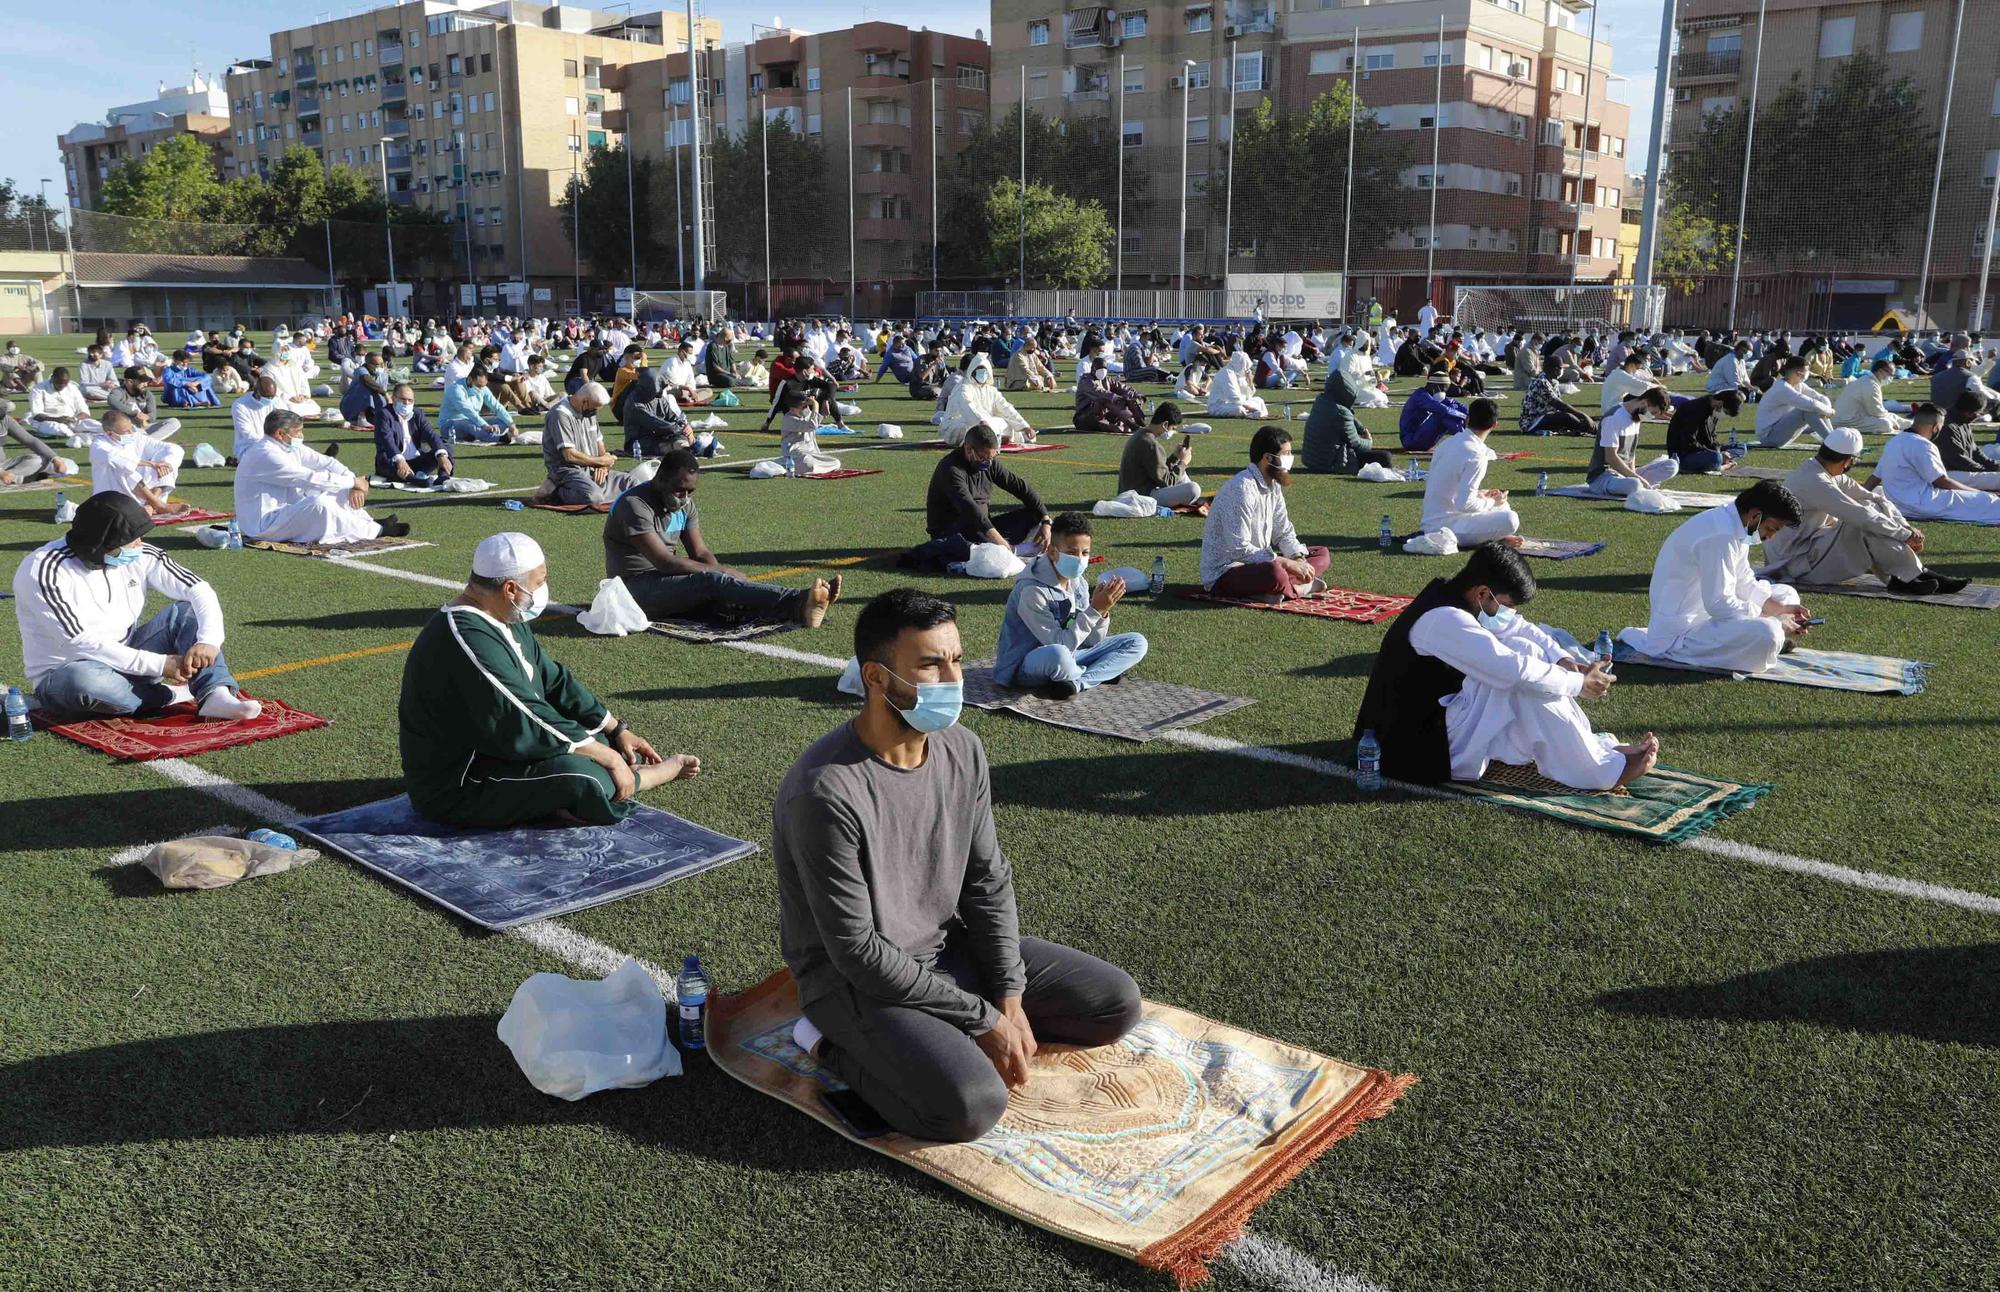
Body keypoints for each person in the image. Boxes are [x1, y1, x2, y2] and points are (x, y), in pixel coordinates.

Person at [771, 587, 1142, 1142]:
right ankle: (821, 1040)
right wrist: (983, 1018)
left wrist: (1009, 997)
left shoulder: (962, 748)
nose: (952, 681)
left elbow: (986, 881)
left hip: (947, 952)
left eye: (956, 660)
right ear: (875, 677)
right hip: (855, 984)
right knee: (969, 1105)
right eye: (929, 665)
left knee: (1115, 1005)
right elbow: (857, 952)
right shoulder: (825, 792)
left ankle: (936, 1038)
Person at [399, 532, 699, 828]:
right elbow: (521, 711)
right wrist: (607, 757)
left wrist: (615, 729)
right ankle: (646, 777)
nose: (542, 591)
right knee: (587, 777)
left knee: (602, 742)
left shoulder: (503, 616)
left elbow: (552, 679)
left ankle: (556, 796)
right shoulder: (465, 637)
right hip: (459, 783)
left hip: (496, 750)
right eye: (539, 583)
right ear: (510, 589)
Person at [1351, 543, 1654, 790]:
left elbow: (1521, 630)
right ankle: (1597, 772)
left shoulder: (1458, 595)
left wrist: (1561, 659)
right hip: (1410, 749)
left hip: (1436, 721)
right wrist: (1577, 684)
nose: (1510, 614)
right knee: (1522, 678)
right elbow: (1514, 671)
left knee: (1528, 651)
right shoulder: (1444, 620)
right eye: (1507, 606)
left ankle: (1590, 750)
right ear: (1482, 593)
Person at [12, 492, 261, 722]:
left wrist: (209, 640)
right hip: (68, 672)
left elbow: (198, 588)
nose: (138, 545)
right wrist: (160, 665)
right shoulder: (43, 570)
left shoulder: (140, 553)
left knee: (186, 612)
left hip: (129, 653)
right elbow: (79, 641)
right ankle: (167, 696)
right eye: (130, 540)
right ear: (99, 545)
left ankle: (215, 695)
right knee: (82, 681)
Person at [603, 448, 839, 627]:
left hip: (665, 582)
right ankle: (800, 600)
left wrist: (726, 580)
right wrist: (719, 574)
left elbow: (701, 552)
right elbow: (665, 562)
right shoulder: (634, 505)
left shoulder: (685, 505)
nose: (684, 497)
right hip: (632, 590)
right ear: (661, 478)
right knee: (714, 581)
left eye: (690, 491)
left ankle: (802, 610)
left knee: (727, 590)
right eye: (679, 489)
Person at [1620, 481, 1811, 674]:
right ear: (1755, 516)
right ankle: (1773, 639)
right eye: (1772, 529)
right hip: (1681, 634)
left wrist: (1778, 609)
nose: (1771, 537)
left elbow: (1743, 580)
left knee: (1786, 594)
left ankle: (1772, 637)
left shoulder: (1736, 523)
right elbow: (1720, 604)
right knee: (1768, 633)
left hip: (1706, 615)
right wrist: (1774, 619)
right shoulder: (1721, 535)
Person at [1762, 426, 1960, 596]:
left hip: (1812, 549)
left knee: (1873, 509)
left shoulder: (1825, 473)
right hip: (1795, 564)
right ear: (1848, 461)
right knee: (1862, 521)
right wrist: (1904, 534)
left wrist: (1906, 528)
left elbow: (1875, 499)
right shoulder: (1813, 480)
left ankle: (1906, 577)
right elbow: (1859, 515)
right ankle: (1912, 575)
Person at [993, 513, 1148, 697]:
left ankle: (1077, 683)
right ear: (1052, 552)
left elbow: (1091, 642)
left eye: (1085, 553)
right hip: (1027, 665)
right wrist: (1095, 610)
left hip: (1072, 653)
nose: (1080, 559)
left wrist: (1102, 613)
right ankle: (1096, 672)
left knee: (1136, 642)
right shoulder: (1031, 590)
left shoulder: (1078, 582)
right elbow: (1059, 644)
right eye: (1072, 553)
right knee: (1059, 655)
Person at [1199, 425, 1330, 598]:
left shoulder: (1273, 485)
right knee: (1274, 571)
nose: (1290, 459)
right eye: (1286, 454)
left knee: (1321, 554)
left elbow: (1283, 531)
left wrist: (1297, 558)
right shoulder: (1241, 489)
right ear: (1267, 458)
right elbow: (1239, 549)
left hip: (1258, 563)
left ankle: (1279, 588)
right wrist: (1287, 564)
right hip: (1227, 571)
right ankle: (1299, 588)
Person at [235, 410, 406, 543]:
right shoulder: (265, 454)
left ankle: (369, 523)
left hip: (288, 509)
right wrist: (354, 481)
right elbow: (310, 478)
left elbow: (326, 462)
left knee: (340, 490)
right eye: (298, 432)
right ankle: (378, 531)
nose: (301, 436)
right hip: (265, 525)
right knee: (320, 504)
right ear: (280, 434)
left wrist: (353, 484)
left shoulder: (288, 446)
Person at [922, 423, 1051, 559]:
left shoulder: (990, 463)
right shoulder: (951, 469)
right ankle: (1008, 549)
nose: (988, 462)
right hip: (953, 532)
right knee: (975, 535)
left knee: (1034, 515)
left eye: (991, 458)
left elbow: (1020, 487)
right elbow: (970, 510)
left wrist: (1045, 520)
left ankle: (1006, 548)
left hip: (983, 527)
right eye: (983, 458)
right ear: (968, 449)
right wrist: (999, 541)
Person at [1870, 404, 2000, 522]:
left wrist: (1858, 498)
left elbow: (1875, 478)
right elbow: (1942, 482)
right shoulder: (1923, 444)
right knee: (1987, 501)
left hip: (1899, 504)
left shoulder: (1894, 441)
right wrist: (1979, 493)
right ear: (1936, 427)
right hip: (1922, 504)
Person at [1420, 399, 1520, 546]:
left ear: (1467, 420)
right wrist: (1491, 501)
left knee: (1502, 506)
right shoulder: (1476, 455)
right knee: (1510, 518)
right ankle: (1497, 537)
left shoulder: (1447, 443)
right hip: (1446, 527)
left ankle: (1496, 535)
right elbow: (1464, 505)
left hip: (1433, 520)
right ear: (1494, 425)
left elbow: (1451, 488)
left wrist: (1481, 494)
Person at [542, 382, 634, 506]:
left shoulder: (588, 412)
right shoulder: (560, 414)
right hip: (567, 471)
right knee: (592, 497)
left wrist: (602, 467)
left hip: (591, 468)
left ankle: (598, 490)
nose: (595, 412)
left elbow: (599, 442)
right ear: (584, 401)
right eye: (594, 408)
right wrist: (601, 461)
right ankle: (554, 491)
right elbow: (570, 456)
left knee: (633, 483)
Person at [89, 410, 186, 518]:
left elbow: (172, 448)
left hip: (143, 495)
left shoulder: (135, 437)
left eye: (131, 428)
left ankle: (150, 505)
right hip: (115, 498)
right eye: (126, 431)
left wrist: (166, 463)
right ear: (110, 433)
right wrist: (150, 464)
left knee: (166, 463)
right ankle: (158, 504)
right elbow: (115, 459)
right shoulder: (98, 445)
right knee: (125, 469)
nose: (131, 433)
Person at [1585, 387, 1680, 497]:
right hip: (1603, 477)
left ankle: (1637, 484)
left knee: (1672, 465)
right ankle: (1637, 485)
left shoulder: (1636, 417)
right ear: (1644, 403)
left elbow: (1630, 454)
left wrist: (1634, 474)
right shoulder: (1613, 417)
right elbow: (1611, 457)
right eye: (1653, 412)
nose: (1652, 417)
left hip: (1624, 474)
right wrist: (1636, 478)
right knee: (1634, 485)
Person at [1117, 403, 1202, 508]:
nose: (1171, 432)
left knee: (1182, 475)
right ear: (1165, 425)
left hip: (1130, 492)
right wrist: (1184, 462)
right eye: (1172, 428)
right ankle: (1194, 500)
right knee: (1194, 489)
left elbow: (1156, 470)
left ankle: (1193, 500)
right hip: (1141, 497)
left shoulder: (1141, 434)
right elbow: (1167, 482)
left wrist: (1175, 457)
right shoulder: (1151, 444)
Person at [941, 353, 1035, 446]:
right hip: (957, 423)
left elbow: (1005, 407)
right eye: (979, 371)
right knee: (970, 428)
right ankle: (991, 438)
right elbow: (967, 408)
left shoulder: (990, 390)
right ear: (972, 371)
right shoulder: (963, 388)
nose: (982, 374)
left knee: (1007, 423)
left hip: (985, 422)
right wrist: (981, 421)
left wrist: (1025, 426)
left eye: (984, 371)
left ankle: (993, 438)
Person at [373, 383, 454, 483]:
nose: (406, 403)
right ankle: (414, 480)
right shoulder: (384, 414)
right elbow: (387, 441)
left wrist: (441, 455)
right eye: (403, 399)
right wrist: (400, 460)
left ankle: (443, 476)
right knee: (390, 462)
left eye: (410, 400)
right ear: (393, 399)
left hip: (417, 460)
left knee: (444, 447)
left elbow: (431, 435)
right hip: (393, 462)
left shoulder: (418, 414)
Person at [1755, 357, 1836, 447]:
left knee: (1818, 409)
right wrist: (1830, 411)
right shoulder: (1782, 388)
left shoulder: (1798, 385)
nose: (1809, 373)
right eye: (1807, 370)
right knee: (1808, 410)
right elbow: (1811, 404)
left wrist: (1827, 409)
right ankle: (1834, 443)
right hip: (1769, 438)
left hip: (1780, 432)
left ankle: (1833, 438)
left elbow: (1821, 398)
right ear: (1798, 373)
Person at [1665, 390, 1743, 474]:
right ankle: (1719, 465)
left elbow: (1712, 437)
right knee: (1716, 458)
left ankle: (1718, 462)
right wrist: (1716, 453)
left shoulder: (1713, 411)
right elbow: (1688, 443)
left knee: (1741, 447)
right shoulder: (1694, 410)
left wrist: (1718, 450)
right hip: (1683, 456)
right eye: (1726, 412)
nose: (1725, 415)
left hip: (1701, 450)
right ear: (1720, 403)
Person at [619, 366, 691, 458]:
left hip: (663, 434)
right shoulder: (635, 404)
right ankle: (682, 450)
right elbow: (656, 423)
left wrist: (685, 427)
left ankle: (685, 448)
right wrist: (681, 428)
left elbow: (672, 416)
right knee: (665, 445)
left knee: (680, 439)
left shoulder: (659, 398)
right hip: (640, 441)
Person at [1, 399, 75, 486]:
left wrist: (56, 459)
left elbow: (31, 441)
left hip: (4, 464)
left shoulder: (5, 420)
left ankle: (10, 478)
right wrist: (1, 473)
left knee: (39, 460)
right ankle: (15, 479)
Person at [439, 367, 520, 445]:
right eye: (479, 386)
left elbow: (497, 406)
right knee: (468, 424)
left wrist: (511, 424)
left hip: (475, 422)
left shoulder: (483, 388)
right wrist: (485, 425)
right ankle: (498, 438)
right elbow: (467, 411)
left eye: (483, 386)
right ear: (470, 379)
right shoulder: (456, 389)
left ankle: (482, 433)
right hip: (450, 424)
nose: (481, 389)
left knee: (502, 421)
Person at [1832, 358, 1911, 437]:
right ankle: (1910, 425)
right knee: (1885, 424)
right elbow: (1876, 412)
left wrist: (1893, 419)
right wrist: (1893, 421)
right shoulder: (1870, 385)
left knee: (1891, 416)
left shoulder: (1868, 381)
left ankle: (1912, 425)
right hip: (1847, 421)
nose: (1891, 378)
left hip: (1854, 417)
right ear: (1880, 371)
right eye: (1890, 375)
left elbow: (1878, 411)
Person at [105, 366, 183, 444]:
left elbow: (152, 416)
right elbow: (112, 400)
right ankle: (144, 442)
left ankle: (145, 442)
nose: (146, 384)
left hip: (144, 428)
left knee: (174, 422)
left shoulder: (147, 394)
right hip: (126, 429)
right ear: (130, 382)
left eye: (147, 381)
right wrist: (135, 413)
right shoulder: (119, 392)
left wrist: (147, 417)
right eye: (143, 381)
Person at [1398, 366, 1468, 452]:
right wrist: (1464, 416)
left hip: (1419, 436)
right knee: (1443, 414)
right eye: (1443, 389)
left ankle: (1467, 439)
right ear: (1435, 387)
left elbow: (1455, 404)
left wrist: (1470, 414)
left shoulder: (1430, 394)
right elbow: (1444, 410)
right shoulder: (1420, 396)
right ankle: (1467, 441)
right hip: (1410, 440)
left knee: (1451, 407)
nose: (1444, 393)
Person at [777, 386, 841, 477]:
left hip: (811, 453)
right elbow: (812, 425)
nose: (806, 408)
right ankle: (785, 465)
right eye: (803, 406)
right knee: (808, 464)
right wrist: (815, 405)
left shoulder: (804, 413)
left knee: (836, 462)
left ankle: (811, 468)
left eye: (807, 406)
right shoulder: (788, 419)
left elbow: (828, 388)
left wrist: (822, 403)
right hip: (796, 455)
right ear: (792, 409)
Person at [1938, 393, 2000, 484]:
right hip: (1949, 474)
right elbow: (1959, 461)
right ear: (1970, 413)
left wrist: (1994, 465)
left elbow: (1974, 450)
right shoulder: (1947, 426)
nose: (1978, 416)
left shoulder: (1961, 421)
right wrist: (1985, 471)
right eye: (1978, 413)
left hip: (1962, 469)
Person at [29, 368, 97, 446]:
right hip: (49, 421)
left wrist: (75, 418)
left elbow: (84, 411)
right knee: (60, 428)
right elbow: (37, 415)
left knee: (94, 424)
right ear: (52, 378)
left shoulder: (73, 388)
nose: (62, 386)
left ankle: (85, 437)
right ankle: (77, 438)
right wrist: (58, 419)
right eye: (59, 383)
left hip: (72, 420)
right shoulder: (38, 389)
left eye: (65, 383)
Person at [1206, 349, 1269, 419]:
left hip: (1234, 403)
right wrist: (1251, 408)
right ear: (1241, 364)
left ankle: (1254, 413)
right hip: (1218, 406)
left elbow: (1248, 395)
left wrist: (1250, 381)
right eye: (1246, 366)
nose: (1247, 369)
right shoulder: (1226, 373)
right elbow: (1234, 397)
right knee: (1239, 409)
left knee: (1259, 400)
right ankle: (1252, 413)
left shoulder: (1239, 374)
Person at [1599, 348, 1661, 416]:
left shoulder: (1618, 372)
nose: (1636, 371)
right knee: (1645, 396)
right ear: (1631, 365)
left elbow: (1641, 378)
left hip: (1610, 408)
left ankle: (1654, 412)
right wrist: (1659, 386)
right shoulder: (1622, 376)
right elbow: (1644, 385)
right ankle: (1655, 412)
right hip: (1612, 411)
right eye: (1637, 368)